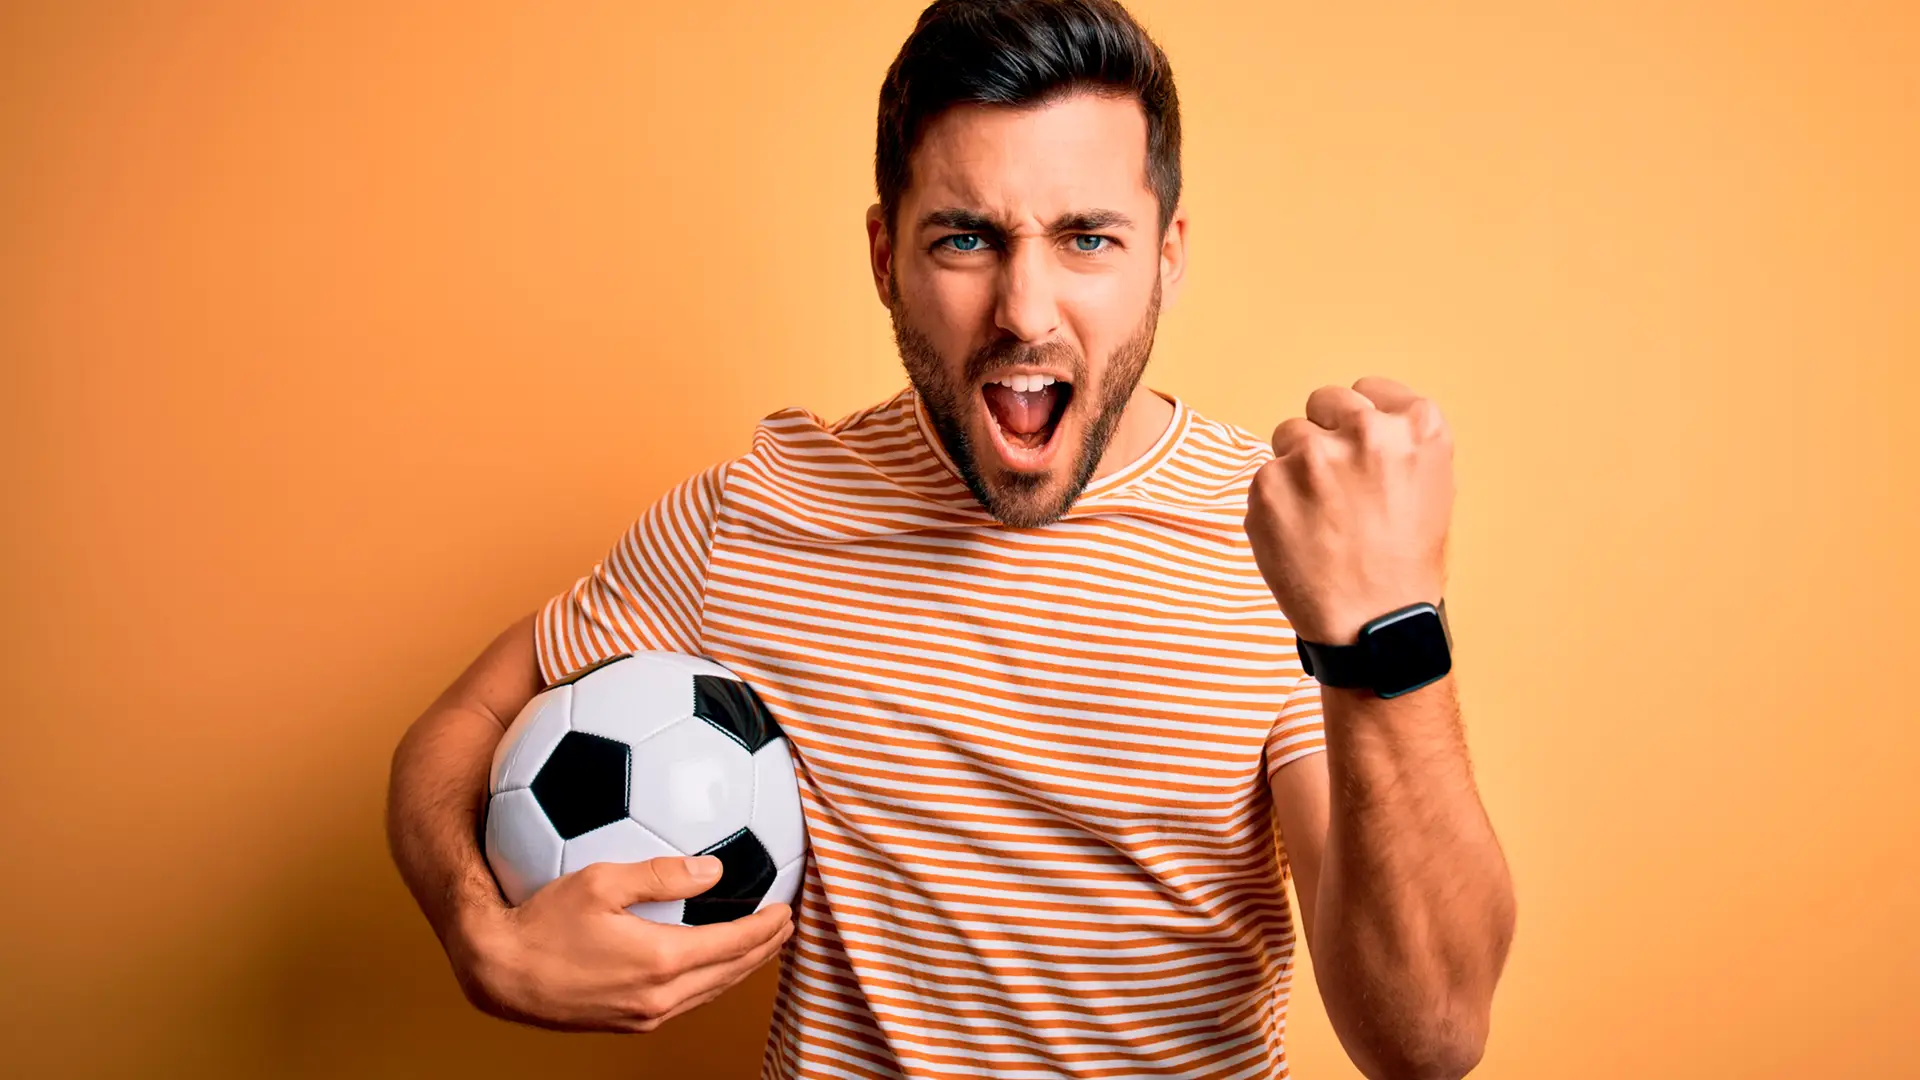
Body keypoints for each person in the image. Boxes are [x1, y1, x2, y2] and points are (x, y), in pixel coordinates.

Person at [386, 1, 1516, 1076]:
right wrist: (477, 932)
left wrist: (1385, 628)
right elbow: (460, 728)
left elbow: (1425, 1039)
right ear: (885, 257)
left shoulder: (1275, 546)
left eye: (1088, 238)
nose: (1025, 309)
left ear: (1167, 253)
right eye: (966, 238)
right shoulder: (760, 511)